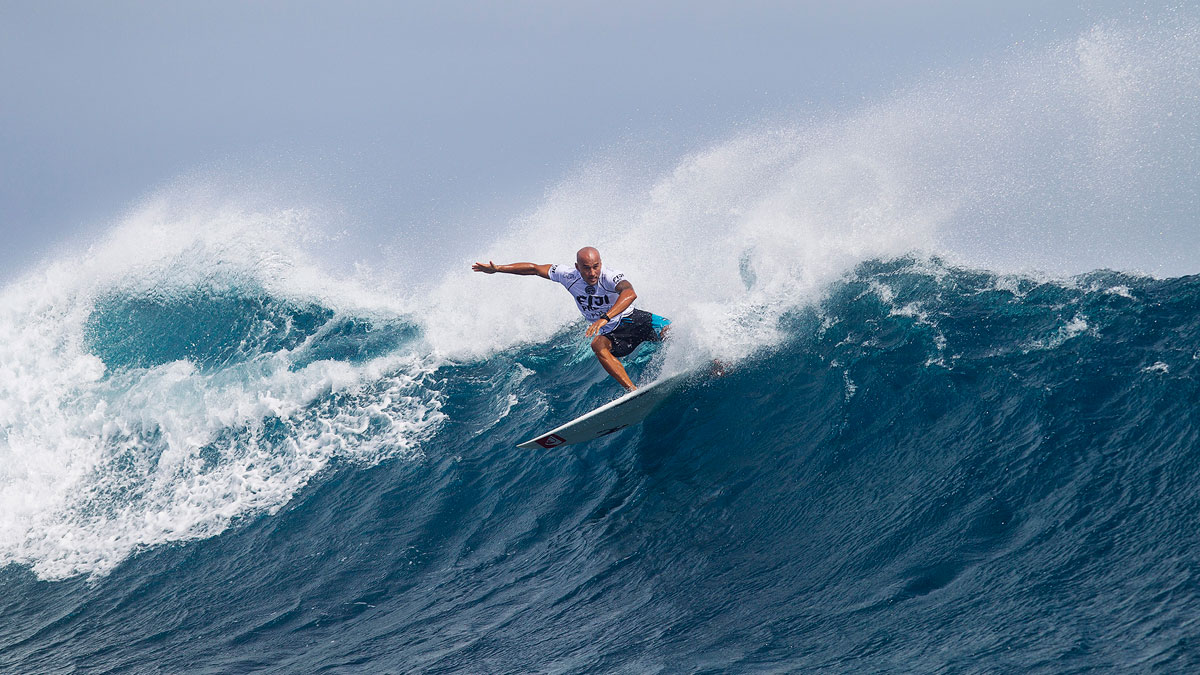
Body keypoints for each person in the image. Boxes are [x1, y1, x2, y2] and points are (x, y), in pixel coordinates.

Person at [472, 247, 670, 391]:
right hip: (613, 332)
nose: (592, 273)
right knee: (598, 345)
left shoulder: (610, 276)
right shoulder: (567, 275)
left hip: (634, 320)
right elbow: (533, 268)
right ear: (577, 267)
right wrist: (498, 268)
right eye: (586, 268)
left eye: (596, 266)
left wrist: (604, 318)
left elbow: (630, 293)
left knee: (672, 331)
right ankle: (633, 392)